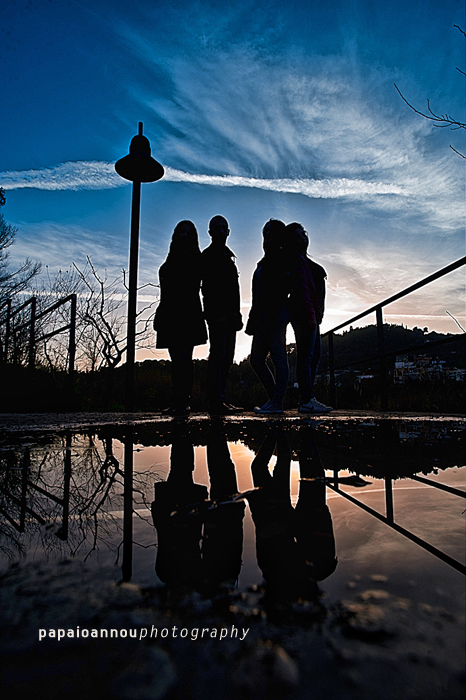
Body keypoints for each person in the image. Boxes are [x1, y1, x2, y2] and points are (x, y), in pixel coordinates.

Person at [153, 221, 207, 416]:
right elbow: (165, 293)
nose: (184, 235)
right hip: (170, 314)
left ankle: (183, 402)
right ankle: (178, 401)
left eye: (188, 232)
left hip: (187, 314)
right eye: (181, 231)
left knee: (183, 359)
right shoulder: (172, 258)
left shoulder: (195, 258)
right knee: (176, 360)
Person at [286, 222, 332, 414]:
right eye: (297, 236)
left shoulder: (305, 262)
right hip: (305, 314)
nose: (302, 239)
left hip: (311, 314)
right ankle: (306, 399)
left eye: (303, 234)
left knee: (314, 356)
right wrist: (311, 315)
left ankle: (307, 397)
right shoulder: (297, 262)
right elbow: (303, 291)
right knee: (306, 357)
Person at [245, 219, 290, 414]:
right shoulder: (264, 261)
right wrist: (253, 320)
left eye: (271, 231)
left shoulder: (280, 258)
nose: (267, 234)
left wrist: (272, 315)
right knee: (256, 359)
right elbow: (257, 296)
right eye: (265, 231)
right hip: (261, 317)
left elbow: (281, 290)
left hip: (275, 315)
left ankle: (277, 402)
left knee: (278, 357)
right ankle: (274, 399)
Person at [201, 215, 243, 415]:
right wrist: (214, 314)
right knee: (218, 355)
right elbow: (207, 289)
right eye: (216, 228)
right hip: (218, 316)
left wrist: (237, 314)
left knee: (227, 357)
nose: (220, 231)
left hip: (231, 316)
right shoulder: (208, 256)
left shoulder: (228, 257)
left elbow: (234, 290)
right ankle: (216, 400)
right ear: (210, 232)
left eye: (223, 228)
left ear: (228, 232)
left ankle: (222, 398)